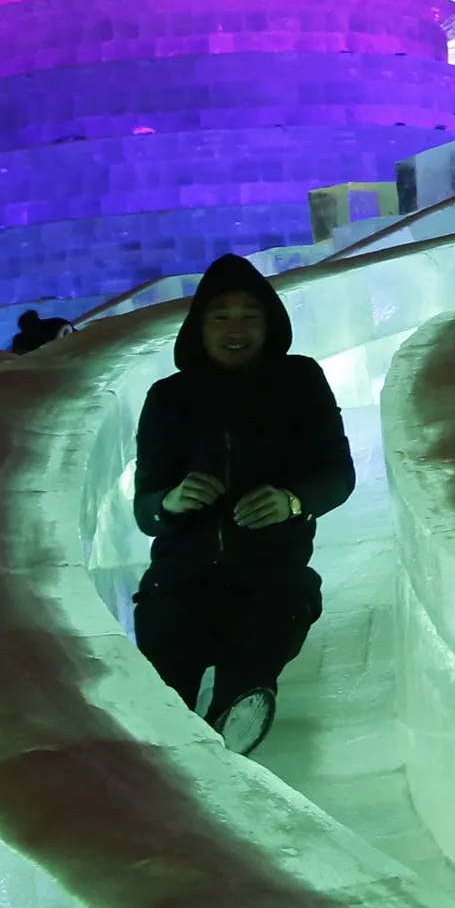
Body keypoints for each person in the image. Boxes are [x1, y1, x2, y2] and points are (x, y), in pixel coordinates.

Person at [130, 254, 353, 755]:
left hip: (271, 573)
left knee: (264, 633)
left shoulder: (299, 382)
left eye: (250, 315)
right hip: (180, 579)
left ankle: (237, 715)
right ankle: (168, 747)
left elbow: (338, 476)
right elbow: (146, 511)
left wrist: (292, 501)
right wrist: (171, 500)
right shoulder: (169, 397)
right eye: (220, 316)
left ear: (270, 323)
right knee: (166, 664)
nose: (236, 328)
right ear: (199, 327)